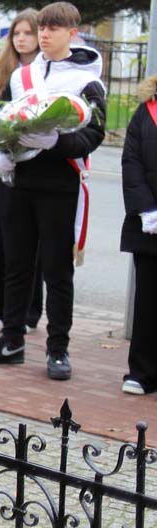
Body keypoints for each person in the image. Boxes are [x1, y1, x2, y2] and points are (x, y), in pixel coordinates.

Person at [0, 1, 107, 379]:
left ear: (72, 34)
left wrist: (55, 143)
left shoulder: (87, 80)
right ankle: (11, 340)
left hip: (59, 182)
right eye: (41, 28)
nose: (44, 35)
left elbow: (93, 135)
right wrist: (2, 149)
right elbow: (11, 119)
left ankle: (57, 349)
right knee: (16, 263)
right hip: (20, 180)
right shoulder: (22, 76)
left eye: (52, 28)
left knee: (56, 269)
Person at [0, 9, 44, 333]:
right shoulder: (2, 73)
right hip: (0, 168)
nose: (21, 39)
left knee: (32, 242)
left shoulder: (44, 74)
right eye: (17, 33)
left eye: (28, 33)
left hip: (34, 168)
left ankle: (29, 310)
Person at [122, 73, 157, 396]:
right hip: (151, 223)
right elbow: (131, 161)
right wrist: (146, 209)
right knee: (147, 299)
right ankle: (142, 371)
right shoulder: (147, 110)